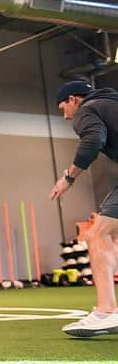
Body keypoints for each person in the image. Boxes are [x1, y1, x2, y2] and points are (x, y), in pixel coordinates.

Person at [50, 80, 118, 338]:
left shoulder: (87, 109)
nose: (66, 117)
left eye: (63, 108)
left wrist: (67, 177)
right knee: (111, 235)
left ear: (73, 99)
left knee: (97, 234)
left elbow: (93, 141)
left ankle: (106, 310)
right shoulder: (111, 103)